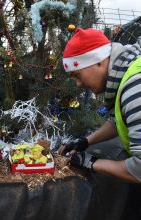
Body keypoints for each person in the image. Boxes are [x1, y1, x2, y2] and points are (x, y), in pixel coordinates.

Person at [59, 27, 141, 183]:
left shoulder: (135, 86)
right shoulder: (128, 73)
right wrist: (86, 141)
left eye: (77, 75)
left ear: (98, 61)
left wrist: (92, 163)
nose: (78, 84)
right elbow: (120, 120)